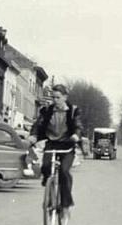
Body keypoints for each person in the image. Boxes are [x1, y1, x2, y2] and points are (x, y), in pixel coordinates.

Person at [29, 84, 83, 213]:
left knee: (64, 171)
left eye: (58, 97)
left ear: (65, 97)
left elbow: (78, 125)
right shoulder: (47, 110)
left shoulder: (73, 111)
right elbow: (38, 124)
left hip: (67, 145)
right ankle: (49, 186)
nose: (55, 100)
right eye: (53, 97)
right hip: (52, 144)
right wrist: (33, 135)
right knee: (46, 166)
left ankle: (65, 204)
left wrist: (76, 135)